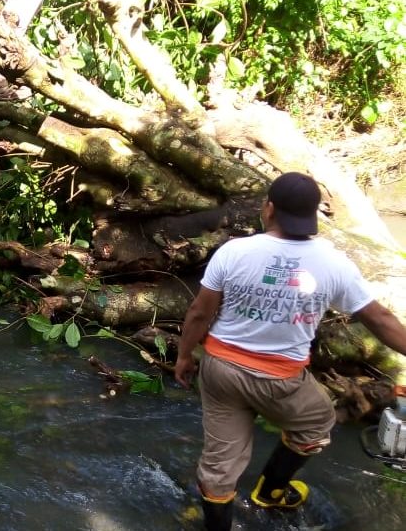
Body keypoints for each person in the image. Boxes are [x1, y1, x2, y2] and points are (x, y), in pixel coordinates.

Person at [174, 172, 406, 531]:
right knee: (317, 423)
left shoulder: (234, 251)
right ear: (314, 215)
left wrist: (184, 355)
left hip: (221, 370)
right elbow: (380, 319)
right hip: (280, 380)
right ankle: (271, 492)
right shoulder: (334, 263)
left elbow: (200, 312)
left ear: (269, 209)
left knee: (220, 466)